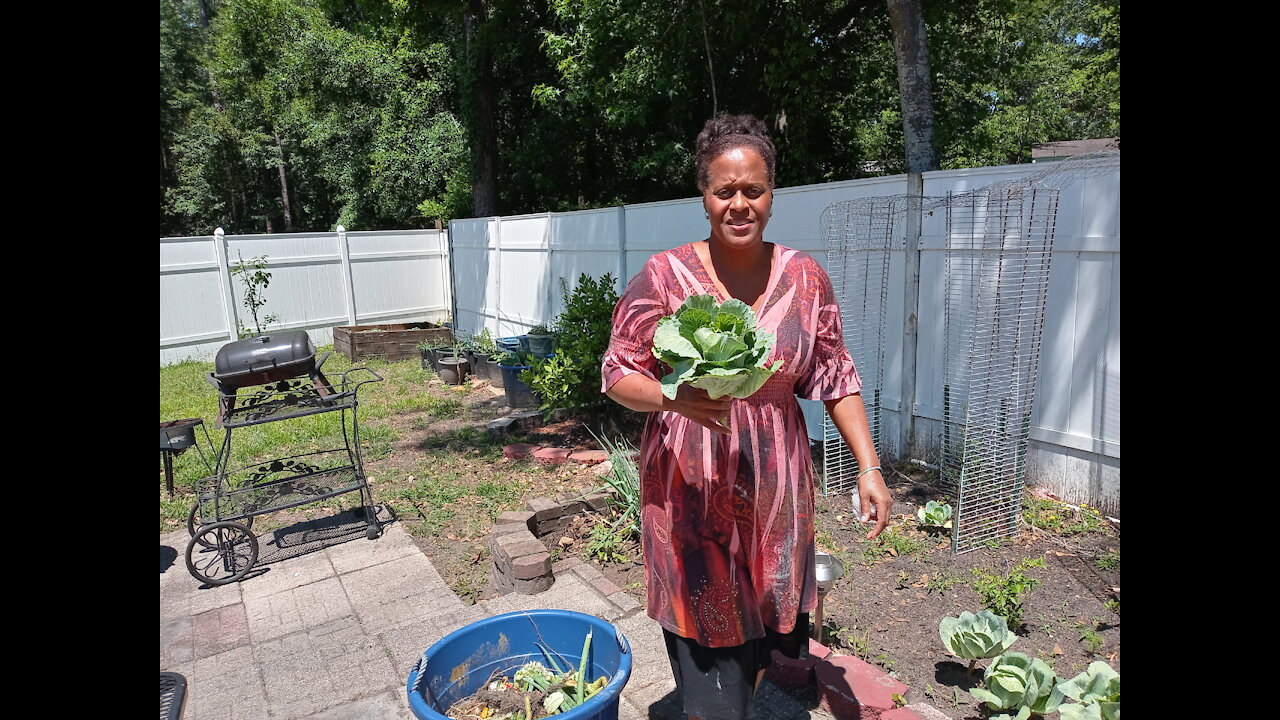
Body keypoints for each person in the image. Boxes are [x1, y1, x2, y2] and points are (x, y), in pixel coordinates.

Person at [600, 113, 893, 720]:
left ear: (771, 195)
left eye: (752, 190)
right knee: (708, 652)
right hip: (689, 487)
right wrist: (671, 398)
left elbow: (835, 375)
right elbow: (617, 372)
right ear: (703, 196)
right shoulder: (665, 275)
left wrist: (869, 467)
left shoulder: (806, 279)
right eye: (723, 190)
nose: (739, 204)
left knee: (762, 633)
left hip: (776, 491)